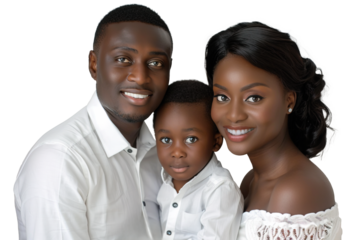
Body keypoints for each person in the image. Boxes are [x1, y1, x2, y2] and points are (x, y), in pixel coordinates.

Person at [13, 2, 173, 240]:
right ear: (94, 65)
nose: (140, 77)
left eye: (156, 63)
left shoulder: (165, 152)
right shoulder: (60, 161)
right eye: (123, 59)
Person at [203, 19, 342, 240]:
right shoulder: (252, 180)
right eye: (222, 97)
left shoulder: (295, 190)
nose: (233, 115)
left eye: (254, 98)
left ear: (289, 100)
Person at [153, 79, 243, 240]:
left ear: (216, 142)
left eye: (191, 139)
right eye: (166, 140)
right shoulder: (159, 181)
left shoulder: (220, 190)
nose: (177, 152)